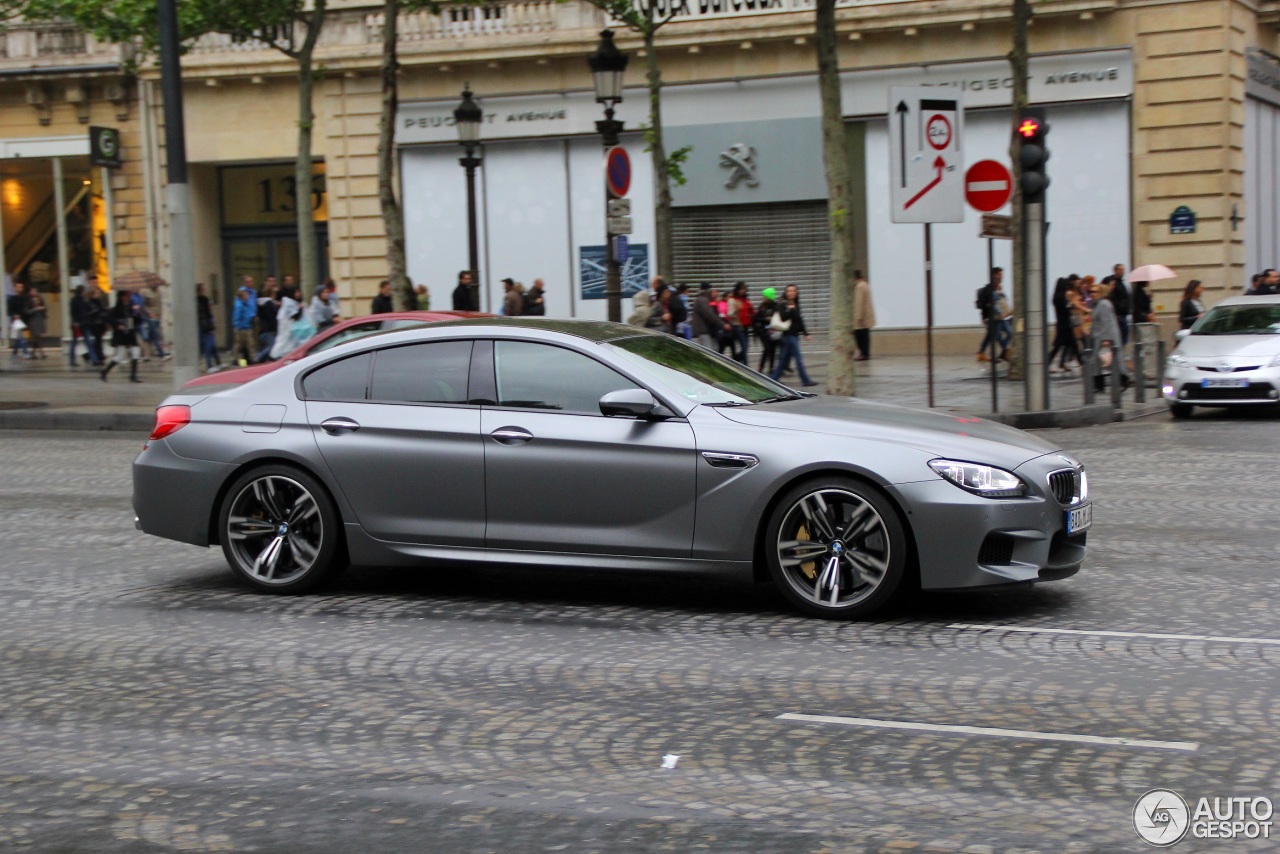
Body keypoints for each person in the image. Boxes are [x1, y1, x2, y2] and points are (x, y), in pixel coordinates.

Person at [769, 285, 817, 387]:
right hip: (788, 335)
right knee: (798, 358)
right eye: (789, 291)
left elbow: (799, 320)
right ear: (786, 292)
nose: (791, 293)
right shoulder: (783, 303)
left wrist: (806, 333)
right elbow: (783, 317)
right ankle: (805, 380)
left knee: (783, 360)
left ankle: (773, 378)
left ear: (796, 292)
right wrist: (790, 310)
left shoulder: (796, 304)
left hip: (794, 335)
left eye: (793, 291)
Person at [1089, 280, 1129, 392]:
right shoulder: (1097, 304)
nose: (1092, 293)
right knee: (1099, 361)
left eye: (1095, 291)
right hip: (1099, 336)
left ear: (1101, 292)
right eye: (1091, 291)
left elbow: (1107, 323)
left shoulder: (1104, 304)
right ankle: (1099, 385)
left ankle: (1123, 379)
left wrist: (1106, 339)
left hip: (1105, 337)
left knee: (1111, 360)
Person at [101, 290, 142, 383]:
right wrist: (118, 325)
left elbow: (135, 320)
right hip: (121, 335)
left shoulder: (130, 307)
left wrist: (138, 314)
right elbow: (108, 318)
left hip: (130, 333)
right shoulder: (116, 309)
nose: (129, 297)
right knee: (120, 355)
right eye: (127, 296)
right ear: (122, 297)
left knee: (136, 352)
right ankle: (104, 372)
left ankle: (133, 375)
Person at [975, 268, 1009, 362]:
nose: (1002, 276)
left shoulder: (998, 287)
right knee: (994, 336)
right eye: (1000, 274)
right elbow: (989, 304)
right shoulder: (990, 289)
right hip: (992, 317)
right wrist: (983, 317)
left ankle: (981, 353)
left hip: (997, 317)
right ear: (995, 275)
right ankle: (999, 354)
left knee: (991, 336)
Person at [691, 283, 728, 350]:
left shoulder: (704, 299)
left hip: (705, 331)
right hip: (703, 331)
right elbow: (709, 314)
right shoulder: (702, 300)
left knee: (711, 350)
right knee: (708, 352)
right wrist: (722, 324)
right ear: (707, 290)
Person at [70, 285, 99, 367]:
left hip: (82, 323)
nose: (85, 292)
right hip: (81, 323)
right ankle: (94, 359)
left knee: (79, 343)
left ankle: (94, 359)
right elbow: (74, 312)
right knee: (84, 342)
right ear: (82, 291)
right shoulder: (78, 301)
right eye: (84, 291)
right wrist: (76, 321)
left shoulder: (79, 300)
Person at [1102, 263, 1131, 344]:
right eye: (1121, 270)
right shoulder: (1111, 281)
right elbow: (1109, 297)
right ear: (1115, 270)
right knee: (1118, 337)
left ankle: (1119, 352)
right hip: (1117, 315)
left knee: (1124, 335)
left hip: (1123, 314)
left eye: (1123, 270)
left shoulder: (1121, 283)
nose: (1123, 272)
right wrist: (1115, 312)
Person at [754, 286, 779, 375]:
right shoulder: (762, 306)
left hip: (773, 330)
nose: (763, 298)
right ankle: (761, 367)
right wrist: (765, 319)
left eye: (764, 296)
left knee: (772, 349)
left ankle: (771, 367)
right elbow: (757, 318)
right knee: (767, 348)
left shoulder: (776, 306)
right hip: (763, 331)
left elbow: (778, 317)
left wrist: (771, 319)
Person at [852, 270, 875, 361]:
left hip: (862, 317)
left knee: (859, 335)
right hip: (866, 315)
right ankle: (865, 353)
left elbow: (859, 302)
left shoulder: (859, 287)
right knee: (865, 335)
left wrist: (858, 317)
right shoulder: (865, 284)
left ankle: (862, 353)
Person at [197, 283, 220, 371]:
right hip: (204, 324)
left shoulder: (201, 299)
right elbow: (207, 312)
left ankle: (216, 362)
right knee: (208, 344)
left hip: (203, 324)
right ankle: (209, 365)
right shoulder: (203, 300)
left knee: (210, 344)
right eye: (203, 289)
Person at [231, 286, 257, 365]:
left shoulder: (246, 304)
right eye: (246, 295)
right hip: (241, 328)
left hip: (247, 326)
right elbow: (236, 317)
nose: (248, 296)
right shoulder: (239, 305)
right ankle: (235, 359)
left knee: (250, 343)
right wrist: (237, 326)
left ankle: (252, 358)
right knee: (238, 345)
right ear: (242, 296)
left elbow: (249, 313)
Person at [255, 284, 280, 363]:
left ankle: (262, 359)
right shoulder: (269, 303)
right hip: (270, 328)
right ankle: (258, 358)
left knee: (266, 345)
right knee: (271, 346)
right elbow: (272, 317)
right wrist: (276, 327)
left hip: (263, 328)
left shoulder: (259, 303)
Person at [142, 284, 168, 359]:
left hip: (158, 316)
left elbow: (160, 304)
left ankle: (146, 353)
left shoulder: (159, 292)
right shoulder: (146, 292)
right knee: (156, 335)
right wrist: (149, 312)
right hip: (151, 316)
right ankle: (161, 353)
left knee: (150, 337)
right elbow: (144, 305)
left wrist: (160, 316)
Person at [729, 282, 752, 365]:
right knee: (744, 346)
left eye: (744, 289)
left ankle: (735, 360)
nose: (743, 291)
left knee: (746, 346)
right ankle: (746, 365)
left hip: (746, 325)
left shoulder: (745, 299)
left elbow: (749, 311)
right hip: (738, 325)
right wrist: (737, 309)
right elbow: (730, 314)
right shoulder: (732, 300)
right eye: (741, 289)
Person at [25, 289, 48, 359]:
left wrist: (42, 308)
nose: (33, 293)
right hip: (33, 320)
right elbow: (27, 311)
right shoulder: (28, 301)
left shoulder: (40, 299)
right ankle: (42, 352)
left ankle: (32, 353)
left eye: (35, 291)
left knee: (37, 337)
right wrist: (35, 309)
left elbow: (45, 308)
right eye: (32, 291)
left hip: (40, 319)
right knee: (36, 336)